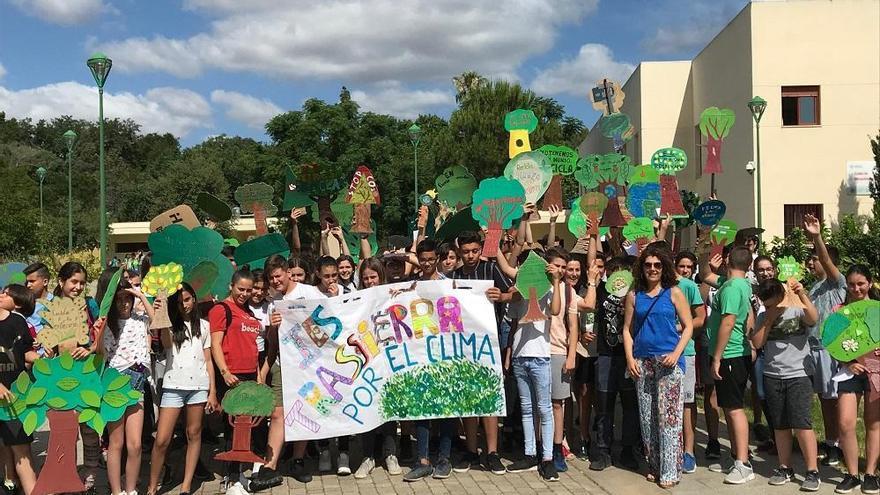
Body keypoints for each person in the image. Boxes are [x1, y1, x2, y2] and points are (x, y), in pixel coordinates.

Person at [622, 244, 693, 488]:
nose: (652, 269)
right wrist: (630, 358)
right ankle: (654, 464)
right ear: (641, 268)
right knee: (648, 418)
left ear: (664, 268)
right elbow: (627, 330)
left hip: (668, 362)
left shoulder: (673, 292)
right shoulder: (634, 294)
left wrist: (676, 353)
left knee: (669, 418)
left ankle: (670, 469)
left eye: (657, 265)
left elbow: (688, 326)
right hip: (642, 361)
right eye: (648, 265)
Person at [450, 231, 513, 475]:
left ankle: (492, 452)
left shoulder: (491, 270)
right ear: (459, 252)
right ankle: (470, 451)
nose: (471, 256)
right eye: (466, 252)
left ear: (480, 249)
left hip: (489, 345)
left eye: (475, 251)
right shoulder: (453, 277)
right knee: (468, 398)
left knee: (490, 398)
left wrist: (503, 296)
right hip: (463, 347)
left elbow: (515, 292)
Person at [147, 283, 219, 495]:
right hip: (173, 386)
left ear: (194, 299)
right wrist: (161, 313)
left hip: (198, 386)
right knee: (161, 440)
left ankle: (187, 486)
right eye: (179, 302)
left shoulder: (204, 326)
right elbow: (168, 345)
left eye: (187, 300)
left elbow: (208, 360)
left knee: (194, 433)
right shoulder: (170, 325)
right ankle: (152, 487)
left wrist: (212, 391)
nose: (184, 305)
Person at [752, 278, 821, 492]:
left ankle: (812, 471)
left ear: (781, 297)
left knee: (802, 423)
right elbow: (757, 342)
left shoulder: (796, 309)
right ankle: (785, 467)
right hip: (773, 374)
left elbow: (813, 318)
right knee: (780, 425)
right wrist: (768, 320)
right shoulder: (764, 316)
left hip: (799, 373)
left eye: (773, 303)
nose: (770, 308)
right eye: (766, 304)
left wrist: (802, 295)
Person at [403, 240, 462, 482]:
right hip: (419, 354)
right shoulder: (412, 286)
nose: (426, 263)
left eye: (430, 259)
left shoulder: (449, 284)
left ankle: (444, 458)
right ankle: (423, 460)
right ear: (418, 258)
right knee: (421, 405)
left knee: (447, 406)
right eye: (422, 259)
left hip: (446, 353)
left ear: (437, 258)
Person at [257, 256, 319, 485]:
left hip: (308, 365)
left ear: (287, 272)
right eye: (271, 278)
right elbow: (272, 344)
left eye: (278, 276)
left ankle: (298, 460)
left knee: (302, 411)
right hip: (282, 365)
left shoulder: (310, 292)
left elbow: (329, 323)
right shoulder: (274, 303)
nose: (275, 281)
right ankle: (269, 464)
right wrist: (273, 329)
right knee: (277, 413)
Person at [699, 244, 755, 484]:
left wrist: (718, 356)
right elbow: (707, 276)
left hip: (730, 354)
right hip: (733, 353)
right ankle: (737, 457)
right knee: (730, 407)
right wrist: (708, 260)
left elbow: (728, 322)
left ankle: (743, 462)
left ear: (729, 260)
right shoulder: (737, 284)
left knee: (734, 409)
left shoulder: (732, 288)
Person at [504, 251, 562, 481]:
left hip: (541, 357)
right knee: (526, 409)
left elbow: (556, 310)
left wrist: (556, 281)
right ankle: (529, 453)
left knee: (544, 408)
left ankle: (547, 458)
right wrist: (509, 355)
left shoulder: (548, 292)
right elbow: (514, 324)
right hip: (520, 357)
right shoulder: (518, 295)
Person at [208, 270, 262, 495]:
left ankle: (237, 473)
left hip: (250, 375)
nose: (245, 293)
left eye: (249, 290)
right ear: (231, 286)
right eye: (241, 289)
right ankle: (231, 479)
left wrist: (258, 377)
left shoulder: (249, 312)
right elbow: (215, 344)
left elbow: (253, 349)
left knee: (245, 428)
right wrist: (225, 372)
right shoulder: (221, 309)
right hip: (232, 376)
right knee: (233, 429)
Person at [586, 256, 641, 471]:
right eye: (614, 271)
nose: (619, 276)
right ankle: (602, 450)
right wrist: (586, 330)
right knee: (604, 404)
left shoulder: (637, 293)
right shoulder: (601, 290)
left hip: (629, 356)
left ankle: (628, 449)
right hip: (606, 354)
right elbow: (591, 311)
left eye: (624, 271)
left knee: (630, 405)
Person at [101, 280, 156, 495]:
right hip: (114, 382)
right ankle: (116, 491)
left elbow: (159, 322)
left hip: (137, 381)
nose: (124, 303)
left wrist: (141, 295)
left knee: (135, 444)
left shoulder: (140, 320)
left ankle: (131, 489)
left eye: (127, 299)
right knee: (116, 442)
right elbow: (98, 352)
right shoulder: (107, 324)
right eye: (120, 299)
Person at [803, 214, 846, 468]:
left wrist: (817, 237)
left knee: (834, 400)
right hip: (813, 348)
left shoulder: (835, 283)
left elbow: (827, 261)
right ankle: (831, 442)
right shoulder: (815, 286)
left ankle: (838, 445)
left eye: (814, 259)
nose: (811, 263)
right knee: (824, 400)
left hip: (830, 350)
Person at [353, 258, 402, 479]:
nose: (369, 281)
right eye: (365, 278)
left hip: (389, 360)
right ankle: (368, 457)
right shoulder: (355, 299)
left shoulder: (391, 294)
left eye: (373, 277)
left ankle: (391, 454)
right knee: (368, 407)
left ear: (380, 277)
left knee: (389, 408)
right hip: (367, 361)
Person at [833, 264, 880, 494]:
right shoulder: (840, 311)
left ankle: (870, 474)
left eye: (861, 283)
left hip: (876, 373)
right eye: (851, 284)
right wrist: (848, 362)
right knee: (845, 423)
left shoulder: (878, 309)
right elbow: (832, 343)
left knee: (874, 423)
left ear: (869, 283)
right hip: (849, 373)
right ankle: (852, 474)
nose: (856, 288)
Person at [0, 285, 38, 495]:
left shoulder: (17, 321)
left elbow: (25, 352)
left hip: (16, 399)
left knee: (20, 449)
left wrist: (41, 359)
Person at [545, 249, 579, 473]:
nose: (560, 270)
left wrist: (571, 355)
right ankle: (542, 448)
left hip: (558, 350)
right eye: (556, 265)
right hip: (536, 351)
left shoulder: (569, 290)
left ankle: (558, 448)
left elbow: (573, 325)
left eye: (563, 267)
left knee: (558, 403)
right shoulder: (535, 284)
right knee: (540, 405)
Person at [674, 253, 706, 474]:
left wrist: (679, 328)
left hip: (686, 352)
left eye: (688, 267)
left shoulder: (689, 286)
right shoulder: (653, 286)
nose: (684, 270)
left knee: (686, 403)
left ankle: (689, 451)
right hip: (659, 352)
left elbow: (700, 318)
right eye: (681, 266)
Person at [571, 253, 601, 461]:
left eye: (600, 267)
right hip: (585, 351)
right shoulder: (581, 292)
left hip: (608, 352)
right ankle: (584, 436)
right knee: (584, 392)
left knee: (602, 398)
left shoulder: (613, 289)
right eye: (593, 267)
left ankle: (602, 439)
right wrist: (582, 333)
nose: (596, 270)